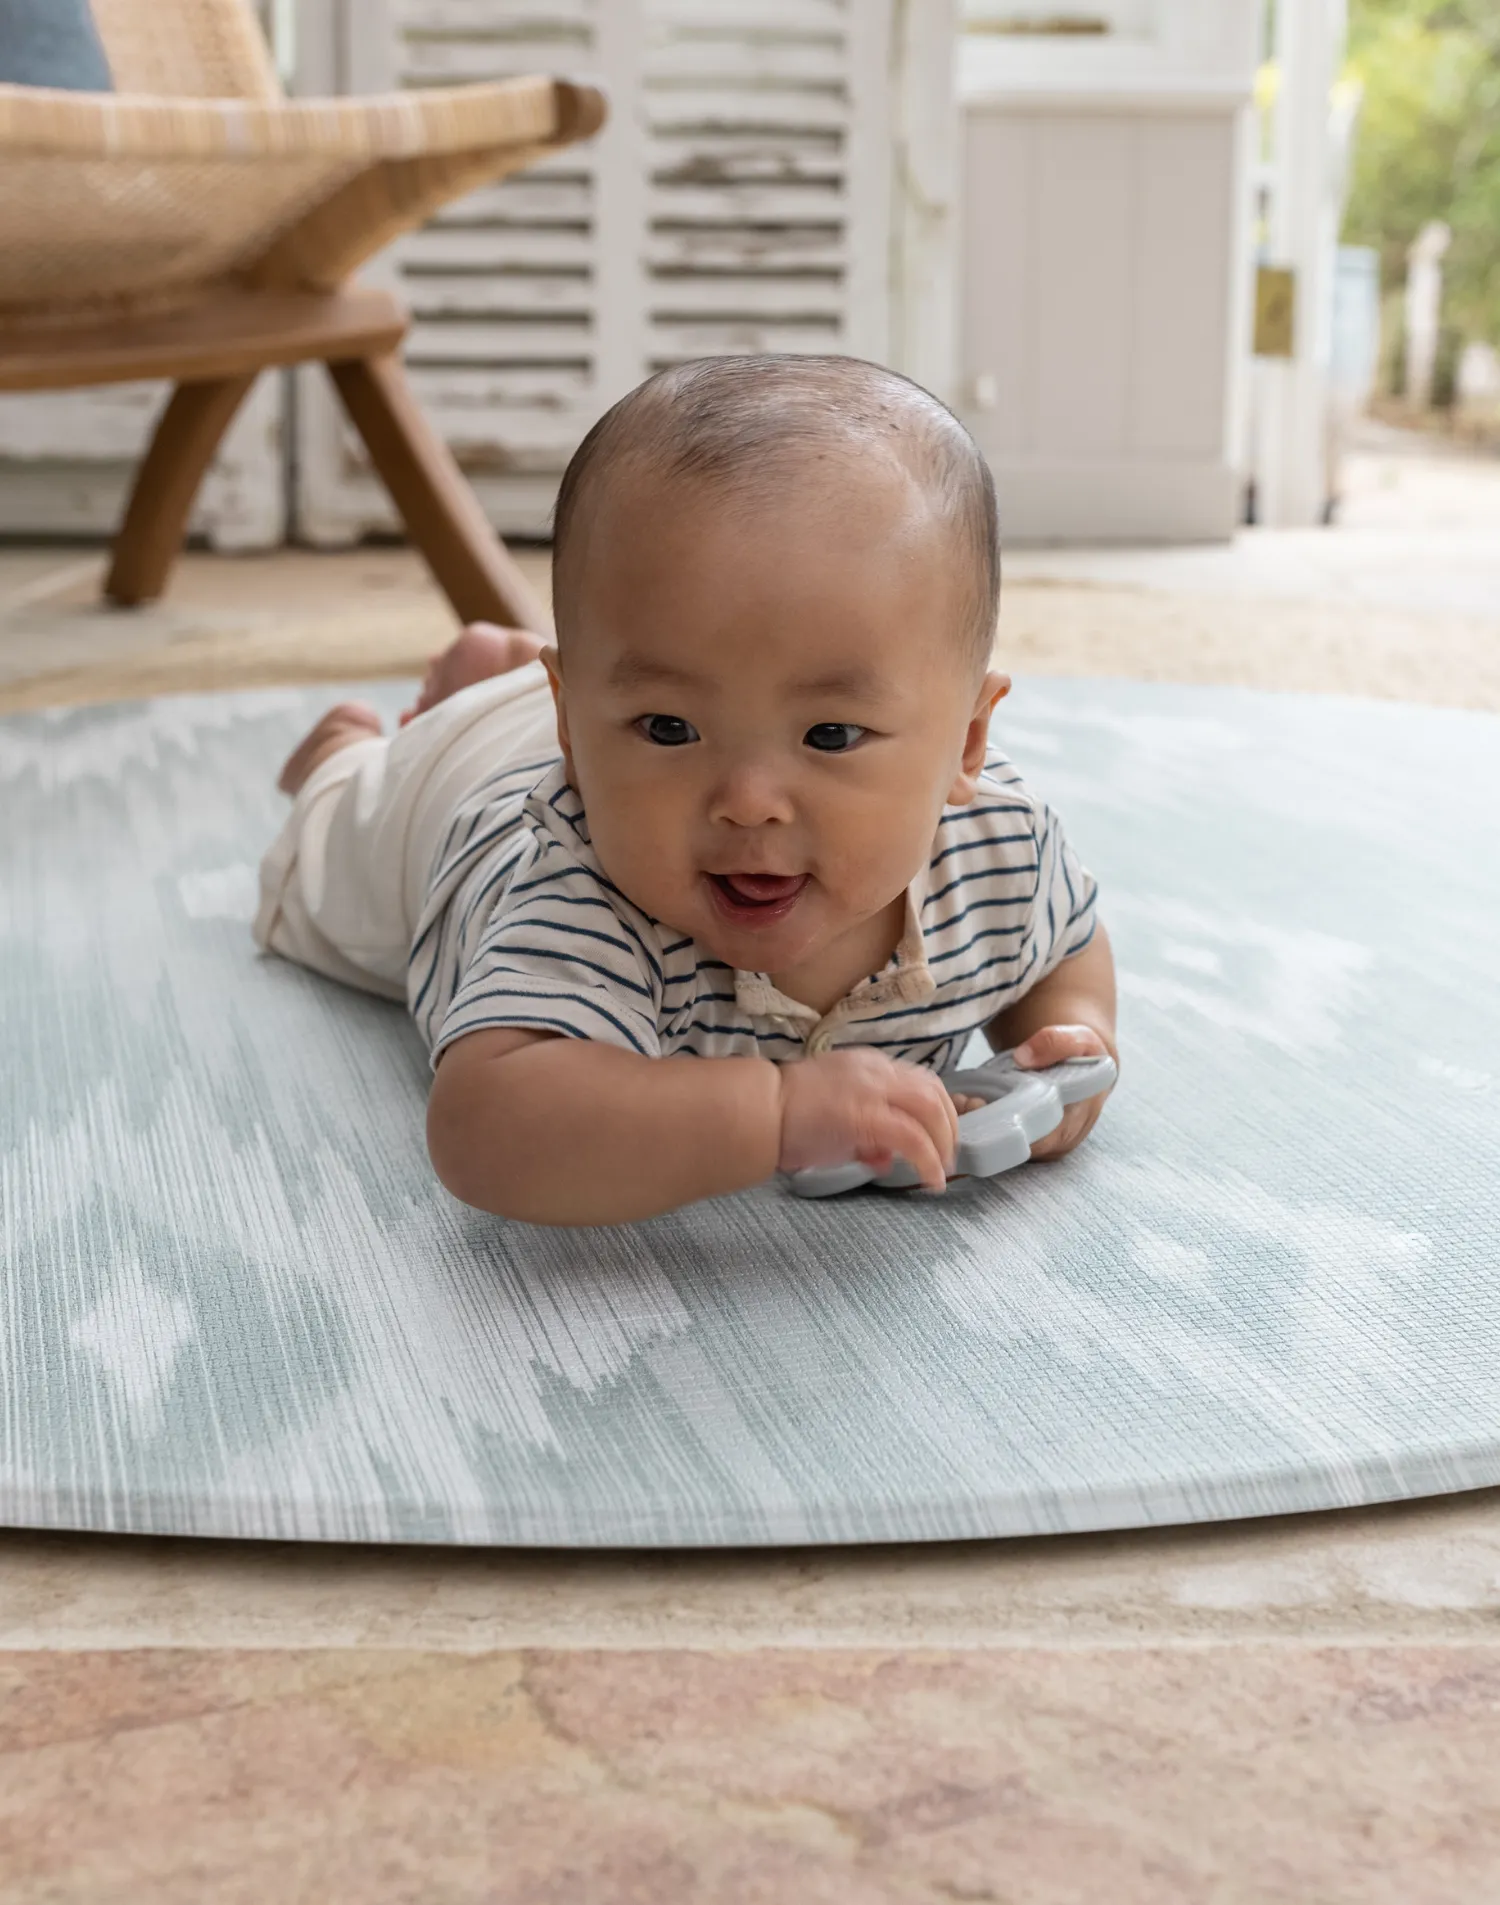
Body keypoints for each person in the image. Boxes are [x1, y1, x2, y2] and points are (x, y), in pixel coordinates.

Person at [254, 355, 1117, 1226]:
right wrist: (772, 1113)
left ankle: (524, 679)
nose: (748, 802)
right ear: (572, 722)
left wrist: (1070, 1037)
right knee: (325, 853)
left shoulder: (997, 846)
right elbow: (486, 1128)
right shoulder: (584, 894)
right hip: (447, 797)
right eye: (671, 726)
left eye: (830, 735)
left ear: (967, 742)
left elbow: (1064, 941)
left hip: (601, 723)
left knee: (654, 676)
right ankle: (349, 748)